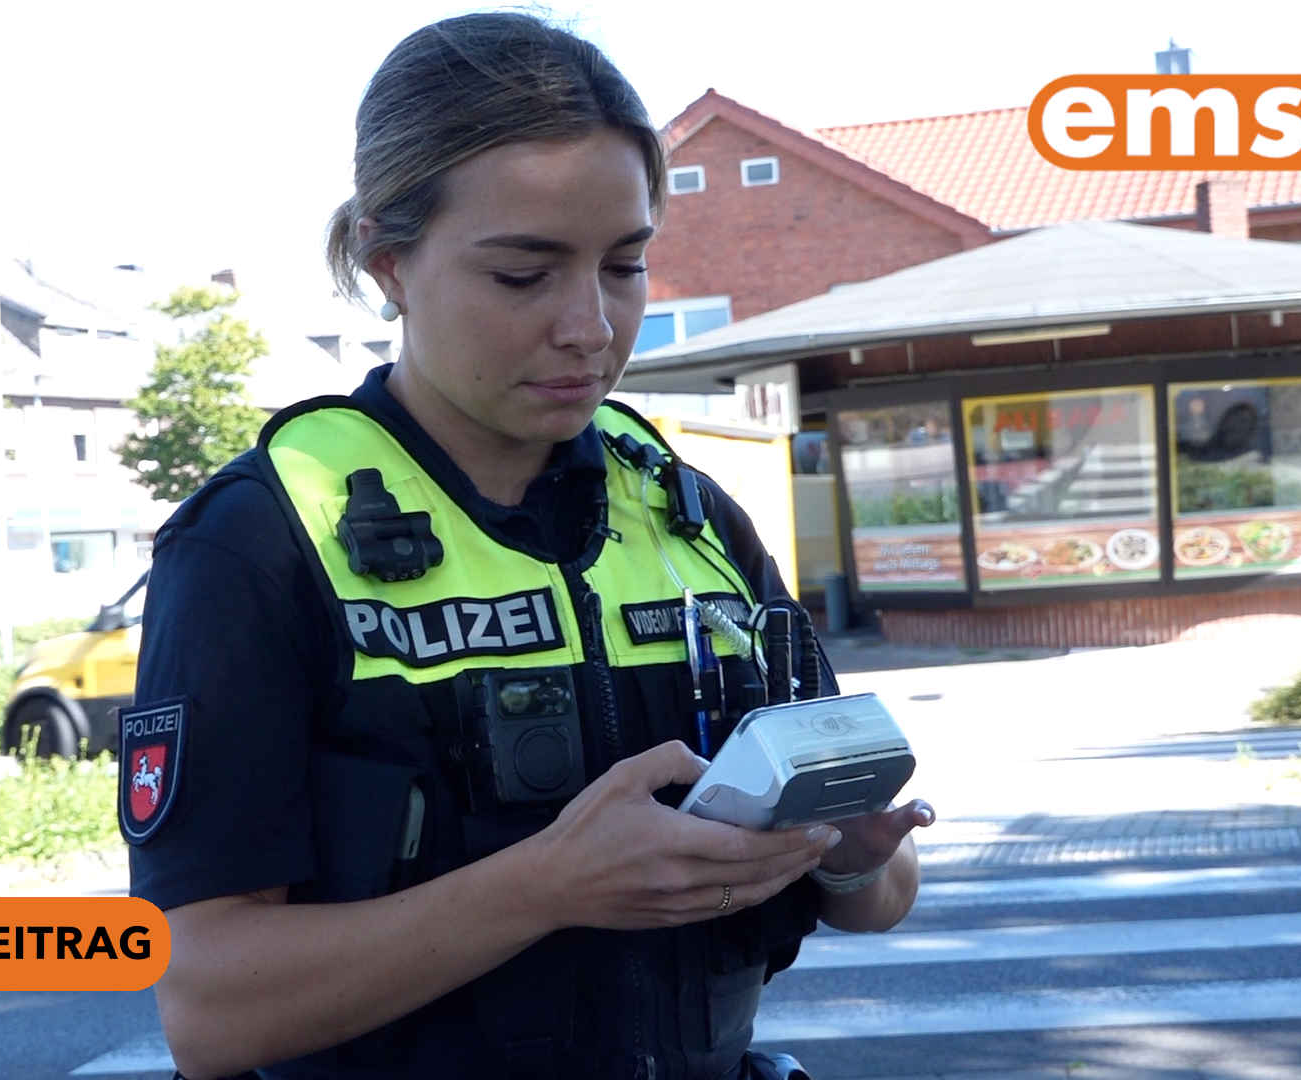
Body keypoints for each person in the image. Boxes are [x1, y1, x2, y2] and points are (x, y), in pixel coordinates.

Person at [120, 13, 933, 1080]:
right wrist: (544, 885)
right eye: (522, 275)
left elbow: (880, 899)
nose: (590, 326)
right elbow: (205, 1007)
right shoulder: (263, 542)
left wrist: (849, 856)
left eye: (628, 265)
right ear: (388, 260)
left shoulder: (692, 518)